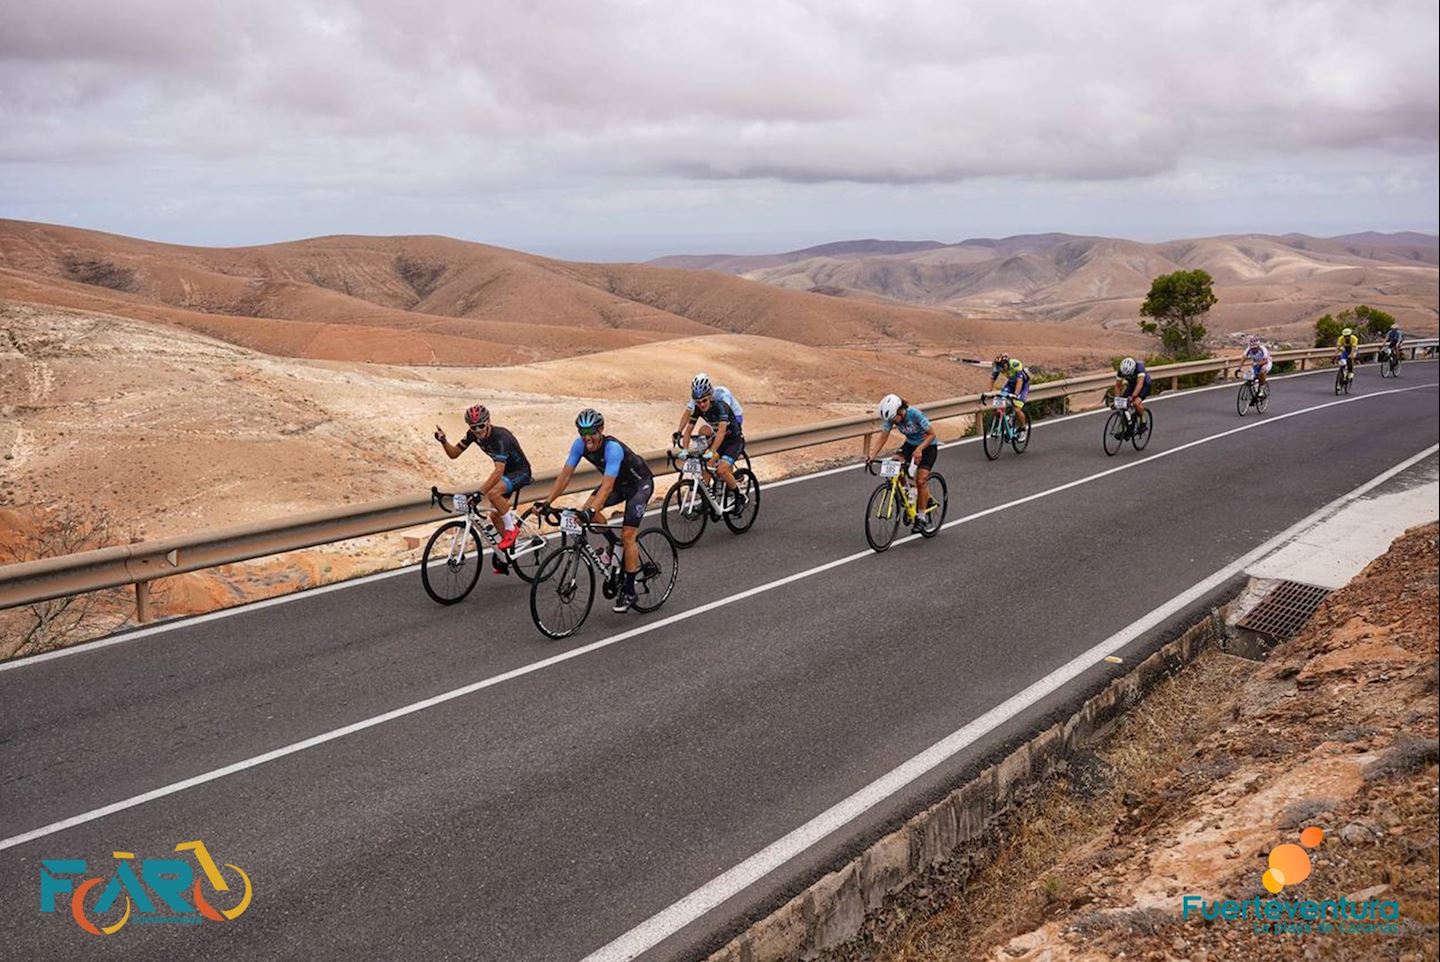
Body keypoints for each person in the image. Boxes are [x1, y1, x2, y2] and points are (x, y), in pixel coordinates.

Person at [534, 409, 654, 613]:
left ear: (601, 430)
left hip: (638, 485)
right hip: (617, 484)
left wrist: (590, 511)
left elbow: (606, 487)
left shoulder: (612, 448)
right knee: (587, 511)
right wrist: (547, 502)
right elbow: (564, 477)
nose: (587, 437)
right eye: (582, 431)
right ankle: (612, 543)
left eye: (591, 431)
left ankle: (630, 590)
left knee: (627, 535)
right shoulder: (579, 444)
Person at [434, 404, 532, 570]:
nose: (478, 430)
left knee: (493, 494)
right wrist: (443, 441)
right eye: (473, 427)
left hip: (520, 472)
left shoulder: (500, 437)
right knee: (495, 516)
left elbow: (498, 471)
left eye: (481, 425)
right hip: (506, 473)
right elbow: (454, 454)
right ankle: (507, 554)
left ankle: (511, 529)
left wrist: (480, 493)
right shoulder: (472, 435)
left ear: (488, 422)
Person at [864, 394, 937, 534]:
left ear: (900, 411)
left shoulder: (914, 414)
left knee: (921, 481)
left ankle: (921, 518)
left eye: (893, 419)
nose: (893, 422)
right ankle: (908, 493)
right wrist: (872, 455)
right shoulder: (892, 417)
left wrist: (919, 449)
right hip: (910, 445)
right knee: (894, 463)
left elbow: (932, 434)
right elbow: (883, 437)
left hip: (927, 446)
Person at [675, 374, 747, 515]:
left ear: (710, 397)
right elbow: (689, 429)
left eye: (704, 401)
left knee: (721, 470)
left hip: (733, 440)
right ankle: (706, 501)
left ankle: (739, 496)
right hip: (720, 440)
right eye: (699, 402)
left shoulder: (722, 406)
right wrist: (684, 449)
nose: (702, 404)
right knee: (706, 467)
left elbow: (720, 433)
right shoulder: (697, 408)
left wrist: (712, 451)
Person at [987, 354, 1032, 433]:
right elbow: (992, 379)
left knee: (1017, 409)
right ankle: (1006, 420)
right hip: (1011, 384)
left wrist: (1016, 394)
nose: (1001, 370)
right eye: (999, 368)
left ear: (1006, 364)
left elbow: (1019, 380)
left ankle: (1023, 428)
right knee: (999, 403)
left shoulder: (1015, 364)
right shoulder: (998, 367)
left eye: (1002, 367)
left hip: (1022, 386)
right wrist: (989, 392)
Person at [1114, 357, 1151, 429]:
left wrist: (1133, 397)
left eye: (1128, 375)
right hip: (1132, 385)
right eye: (1126, 376)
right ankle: (1127, 426)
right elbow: (1118, 386)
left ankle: (1143, 419)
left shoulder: (1139, 368)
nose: (1126, 377)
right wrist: (1117, 399)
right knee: (1122, 404)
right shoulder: (1121, 371)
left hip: (1145, 385)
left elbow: (1139, 384)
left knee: (1136, 403)